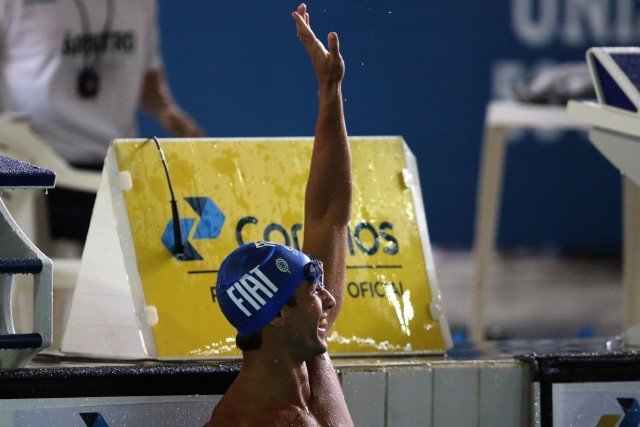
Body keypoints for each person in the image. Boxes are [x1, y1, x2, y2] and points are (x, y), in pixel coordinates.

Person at [206, 4, 353, 426]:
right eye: (314, 290)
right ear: (279, 314)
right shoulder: (256, 419)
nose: (328, 298)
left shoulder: (307, 358)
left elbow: (329, 216)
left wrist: (329, 95)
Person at [0, 0, 202, 244]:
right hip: (36, 169)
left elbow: (147, 70)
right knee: (46, 273)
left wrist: (165, 109)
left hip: (114, 165)